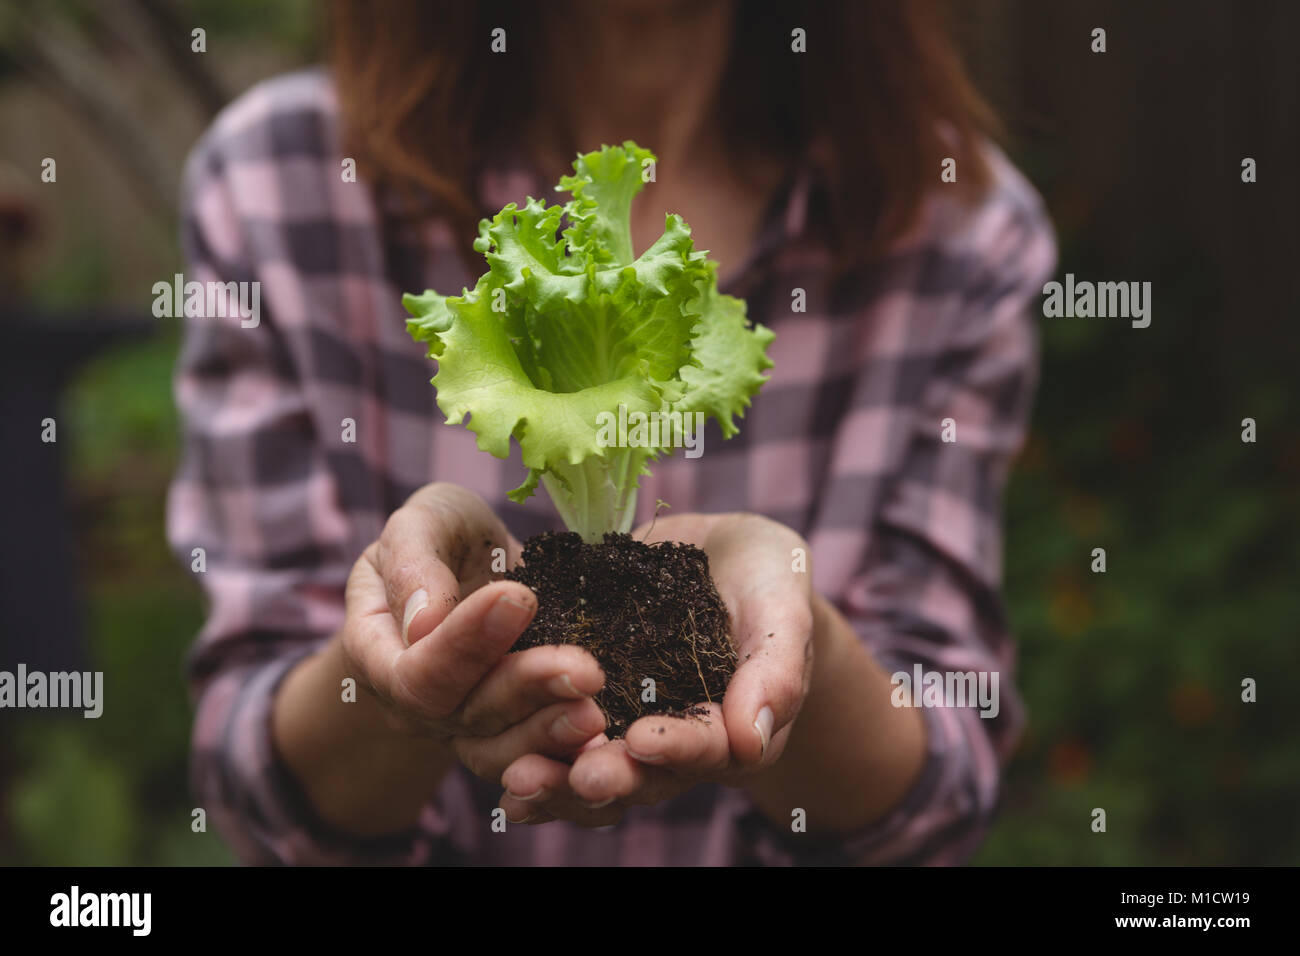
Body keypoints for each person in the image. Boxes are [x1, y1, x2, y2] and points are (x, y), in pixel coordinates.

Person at [169, 0, 1056, 865]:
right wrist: (411, 665)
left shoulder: (954, 218)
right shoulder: (279, 182)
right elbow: (249, 778)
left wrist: (798, 653)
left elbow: (942, 798)